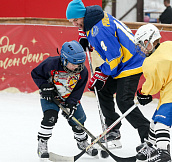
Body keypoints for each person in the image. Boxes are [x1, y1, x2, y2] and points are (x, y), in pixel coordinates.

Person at [66, 0, 150, 148]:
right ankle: (113, 132)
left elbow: (114, 58)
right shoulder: (92, 19)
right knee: (103, 90)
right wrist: (85, 37)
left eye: (76, 20)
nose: (74, 24)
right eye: (72, 21)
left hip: (131, 62)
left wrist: (102, 73)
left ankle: (149, 137)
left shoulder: (99, 29)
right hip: (122, 62)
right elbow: (92, 32)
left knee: (124, 102)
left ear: (82, 16)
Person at [31, 40, 98, 159]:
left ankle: (82, 142)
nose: (77, 67)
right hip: (50, 97)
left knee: (78, 121)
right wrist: (44, 87)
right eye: (73, 64)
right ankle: (42, 143)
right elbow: (35, 73)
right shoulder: (50, 64)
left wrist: (71, 104)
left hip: (69, 98)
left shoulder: (83, 71)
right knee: (50, 118)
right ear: (64, 59)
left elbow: (78, 91)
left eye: (79, 64)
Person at [134, 23, 172, 162]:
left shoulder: (151, 62)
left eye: (141, 45)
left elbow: (153, 86)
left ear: (147, 42)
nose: (141, 49)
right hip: (168, 93)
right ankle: (151, 146)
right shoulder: (168, 44)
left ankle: (163, 153)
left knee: (161, 123)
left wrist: (143, 93)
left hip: (171, 96)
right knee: (154, 122)